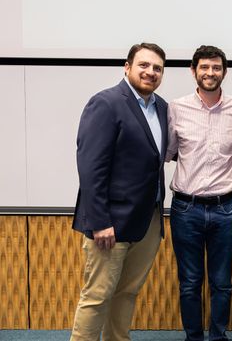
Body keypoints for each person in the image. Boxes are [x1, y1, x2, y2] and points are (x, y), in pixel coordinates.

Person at [70, 42, 168, 341]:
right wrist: (99, 221)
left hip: (147, 221)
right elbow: (90, 167)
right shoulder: (106, 102)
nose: (150, 72)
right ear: (127, 67)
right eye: (144, 65)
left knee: (126, 293)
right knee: (97, 295)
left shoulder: (161, 107)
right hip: (110, 223)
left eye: (157, 68)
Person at [166, 45, 232, 341]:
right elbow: (169, 151)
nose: (210, 73)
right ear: (193, 71)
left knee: (222, 282)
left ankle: (218, 336)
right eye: (204, 67)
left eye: (216, 68)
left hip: (226, 208)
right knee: (189, 282)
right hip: (185, 209)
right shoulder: (176, 108)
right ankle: (193, 337)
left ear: (224, 72)